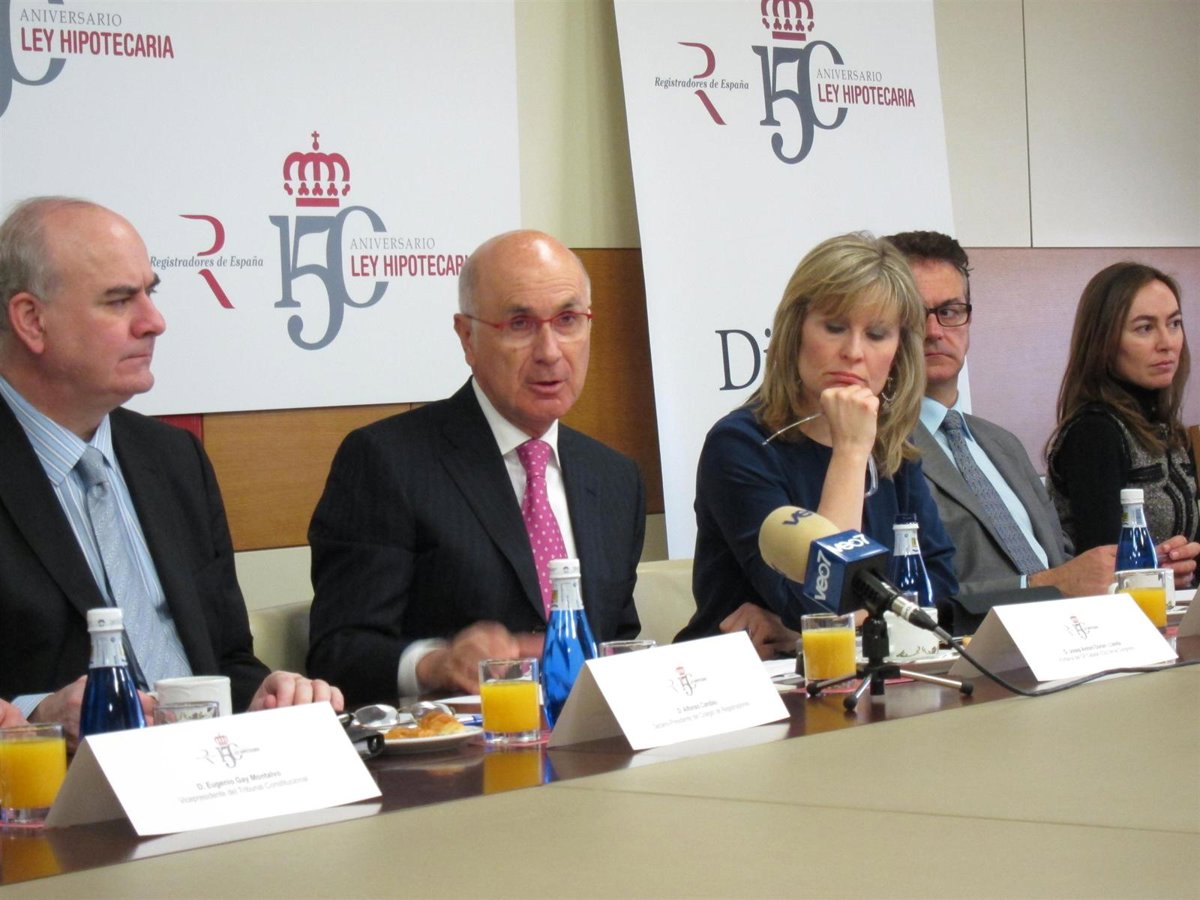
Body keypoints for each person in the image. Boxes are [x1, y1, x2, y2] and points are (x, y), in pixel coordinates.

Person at [0, 197, 343, 746]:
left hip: (212, 771)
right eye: (119, 301)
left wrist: (262, 696)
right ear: (31, 320)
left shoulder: (174, 459)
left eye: (150, 294)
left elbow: (226, 656)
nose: (154, 322)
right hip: (57, 786)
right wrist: (38, 714)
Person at [307, 230, 644, 704]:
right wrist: (437, 663)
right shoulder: (388, 462)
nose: (550, 351)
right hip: (462, 743)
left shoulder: (614, 478)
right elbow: (338, 653)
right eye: (520, 324)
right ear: (467, 336)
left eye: (568, 320)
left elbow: (618, 641)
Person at [676, 232, 957, 647]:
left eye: (877, 334)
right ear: (795, 332)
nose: (854, 352)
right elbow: (823, 609)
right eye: (835, 327)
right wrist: (850, 451)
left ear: (899, 352)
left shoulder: (893, 444)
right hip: (756, 679)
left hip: (871, 668)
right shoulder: (740, 445)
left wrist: (795, 630)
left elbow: (938, 591)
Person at [885, 230, 1121, 598]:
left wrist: (1138, 570)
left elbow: (1062, 562)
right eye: (914, 314)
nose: (933, 331)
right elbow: (900, 595)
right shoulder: (877, 449)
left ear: (968, 319)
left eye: (949, 312)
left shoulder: (1002, 444)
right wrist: (1038, 586)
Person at [1047, 262, 1198, 581]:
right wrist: (1161, 575)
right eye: (1145, 328)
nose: (1167, 342)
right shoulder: (1094, 432)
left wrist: (1187, 561)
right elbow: (1102, 569)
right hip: (1116, 609)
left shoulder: (1171, 431)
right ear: (1104, 342)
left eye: (1174, 323)